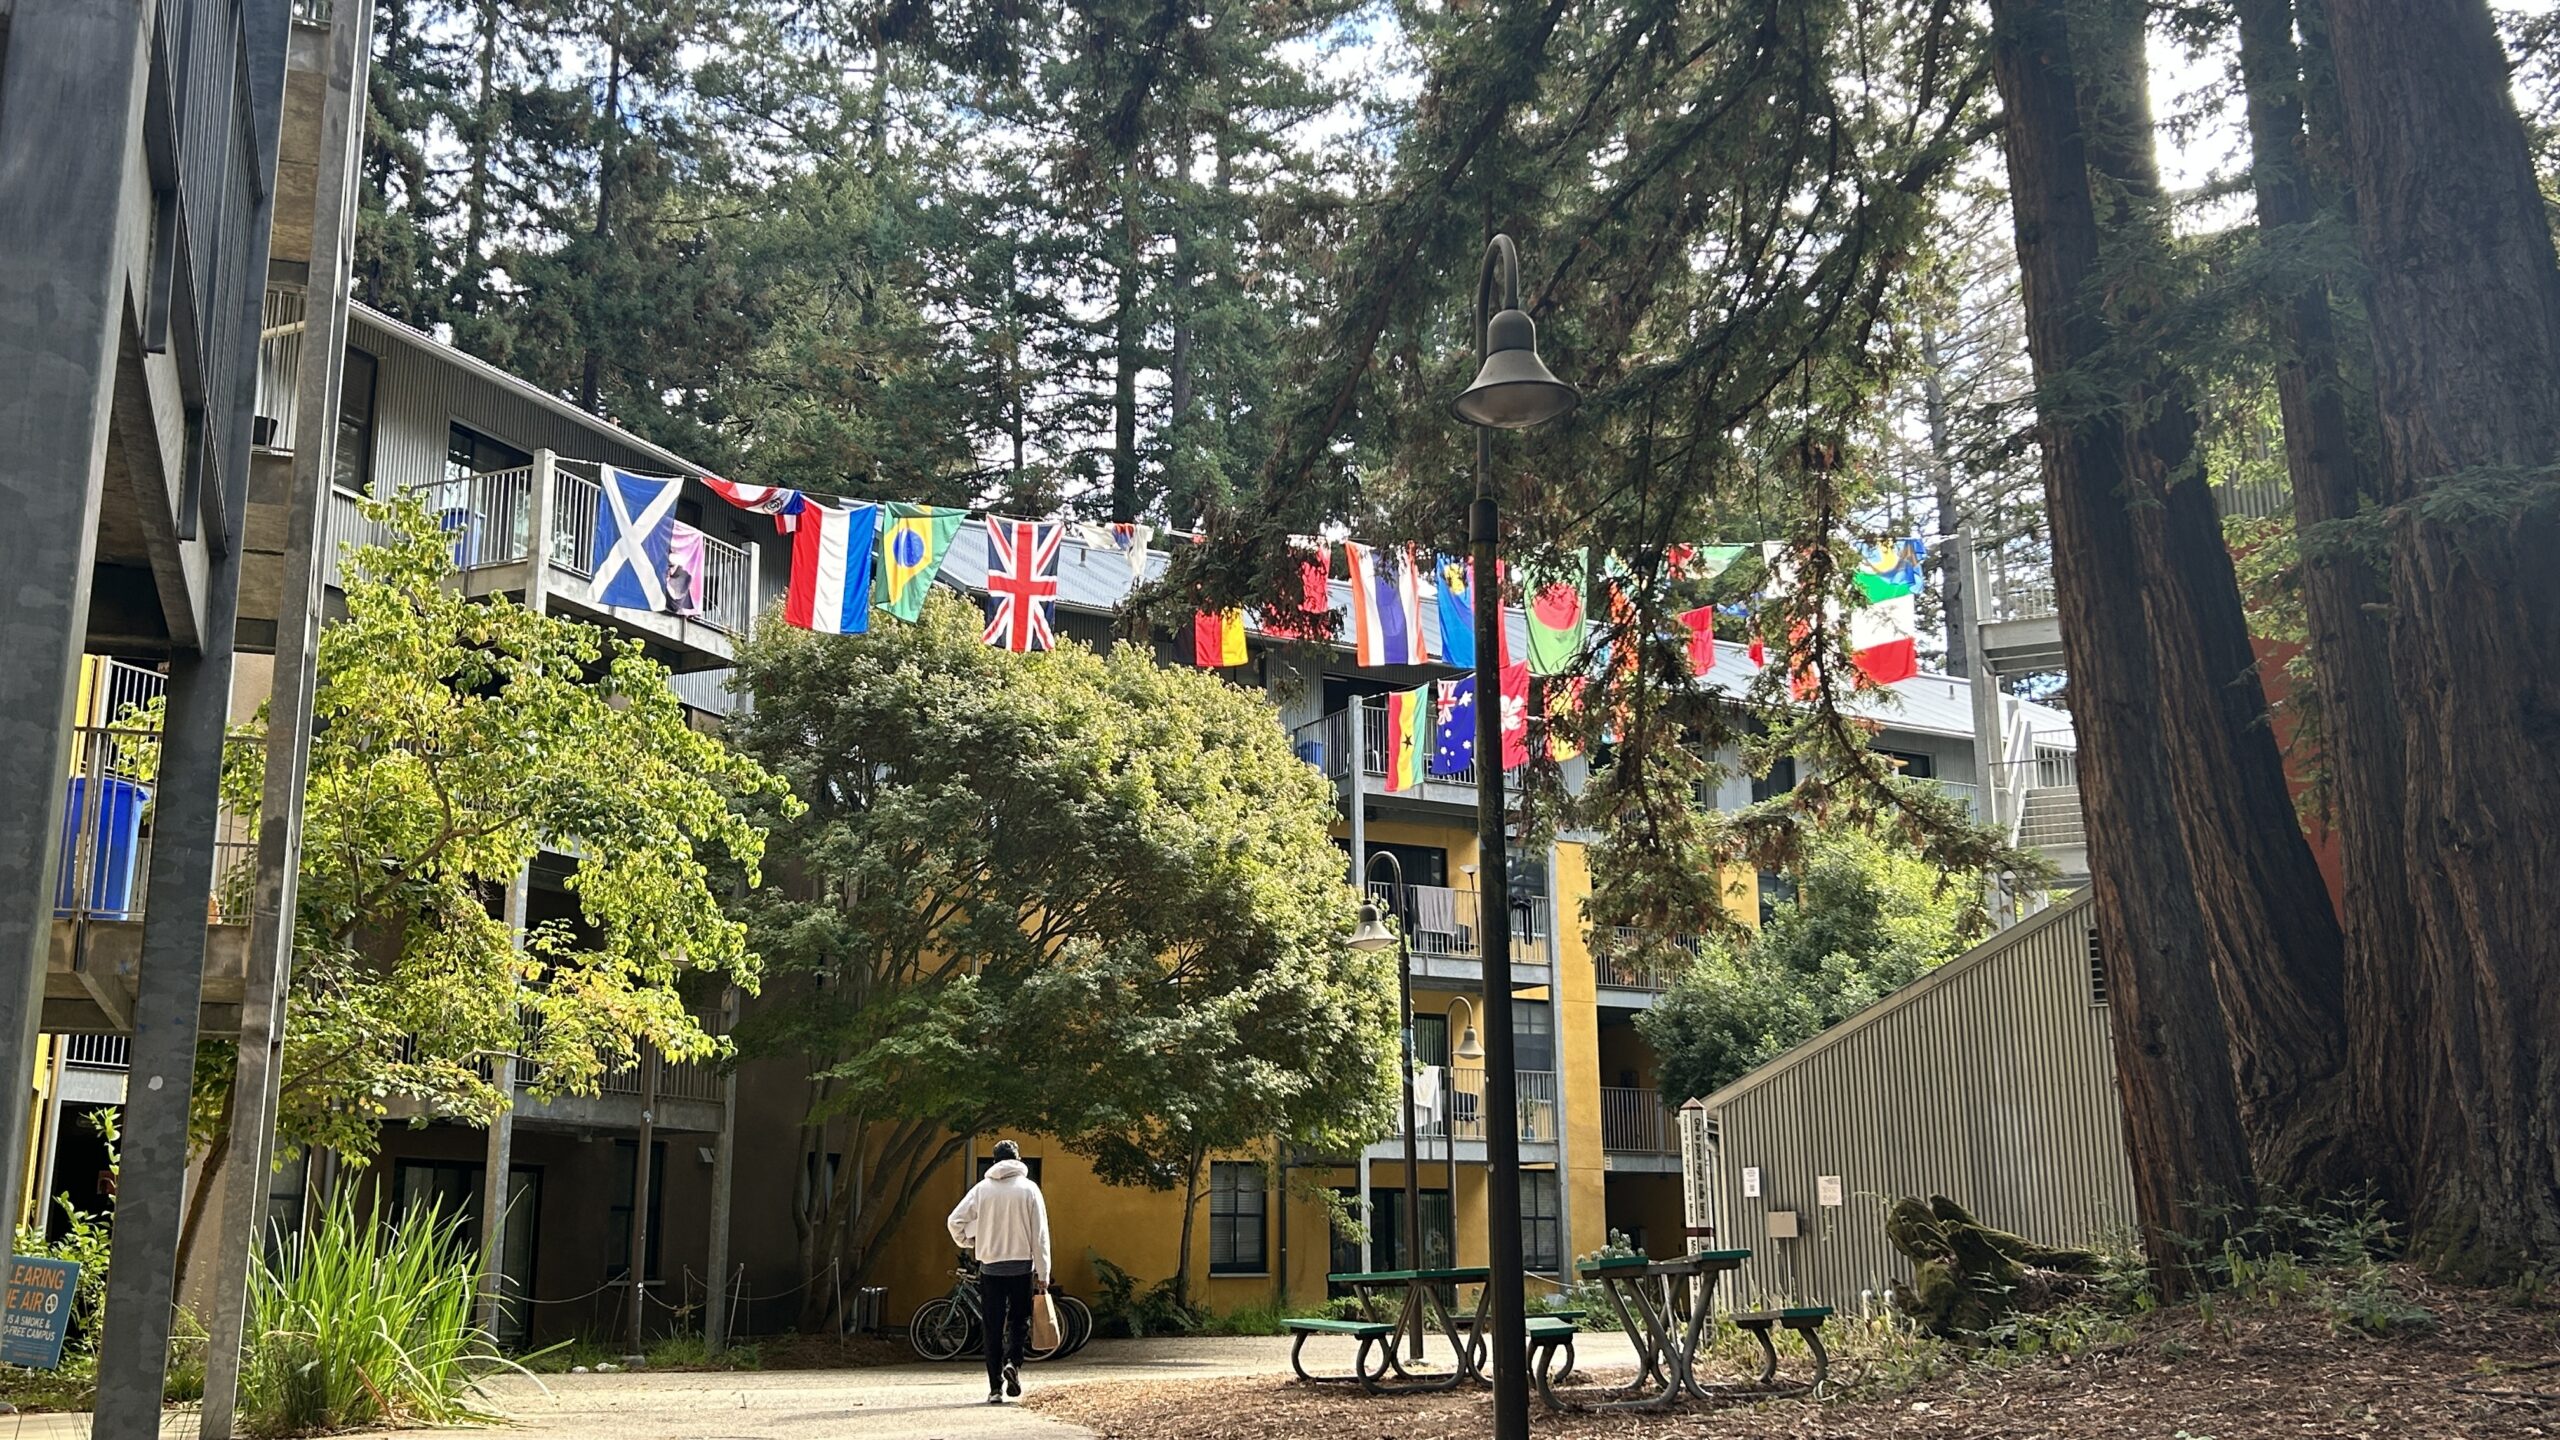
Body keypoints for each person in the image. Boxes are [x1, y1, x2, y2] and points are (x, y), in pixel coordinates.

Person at [945, 1140, 1052, 1405]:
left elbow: (954, 1221)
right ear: (1018, 1160)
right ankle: (1014, 1363)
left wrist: (972, 1240)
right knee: (1019, 1321)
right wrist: (1043, 1272)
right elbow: (1040, 1235)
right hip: (1020, 1268)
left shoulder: (982, 1190)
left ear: (994, 1161)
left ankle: (995, 1388)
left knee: (992, 1326)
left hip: (990, 1268)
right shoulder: (1029, 1189)